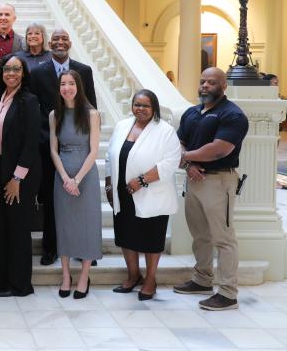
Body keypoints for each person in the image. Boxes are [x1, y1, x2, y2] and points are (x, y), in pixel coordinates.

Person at [173, 67, 248, 311]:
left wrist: (185, 158)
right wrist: (189, 164)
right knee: (200, 235)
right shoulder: (192, 112)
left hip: (219, 181)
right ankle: (202, 280)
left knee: (223, 238)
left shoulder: (233, 115)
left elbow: (219, 149)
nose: (205, 85)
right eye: (203, 81)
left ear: (223, 86)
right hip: (194, 179)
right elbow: (180, 142)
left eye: (212, 82)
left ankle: (228, 293)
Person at [106, 90, 181, 301]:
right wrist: (110, 185)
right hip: (123, 193)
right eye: (137, 104)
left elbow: (170, 162)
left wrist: (142, 180)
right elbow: (109, 153)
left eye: (145, 106)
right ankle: (133, 276)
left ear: (154, 108)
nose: (140, 109)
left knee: (151, 238)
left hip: (151, 192)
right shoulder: (123, 125)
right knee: (126, 236)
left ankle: (150, 279)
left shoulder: (164, 131)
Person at [32, 28, 97, 267]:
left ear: (70, 43)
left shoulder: (84, 70)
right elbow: (36, 108)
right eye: (55, 39)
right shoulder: (38, 72)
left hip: (78, 145)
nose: (60, 42)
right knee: (51, 199)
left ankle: (82, 247)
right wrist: (48, 137)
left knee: (81, 202)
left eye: (64, 39)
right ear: (49, 44)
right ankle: (51, 247)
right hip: (49, 145)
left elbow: (91, 104)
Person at [0, 55, 41, 297]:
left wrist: (17, 179)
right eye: (7, 69)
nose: (11, 73)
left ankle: (20, 284)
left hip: (19, 177)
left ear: (23, 73)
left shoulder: (29, 101)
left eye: (16, 69)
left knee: (17, 230)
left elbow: (31, 143)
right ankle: (2, 279)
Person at [50, 70, 101, 299]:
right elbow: (53, 149)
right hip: (62, 175)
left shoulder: (91, 114)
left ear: (78, 87)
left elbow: (94, 150)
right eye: (63, 84)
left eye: (71, 83)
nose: (67, 88)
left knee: (87, 225)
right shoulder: (54, 115)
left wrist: (77, 179)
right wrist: (65, 178)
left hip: (85, 175)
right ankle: (66, 275)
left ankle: (84, 276)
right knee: (64, 225)